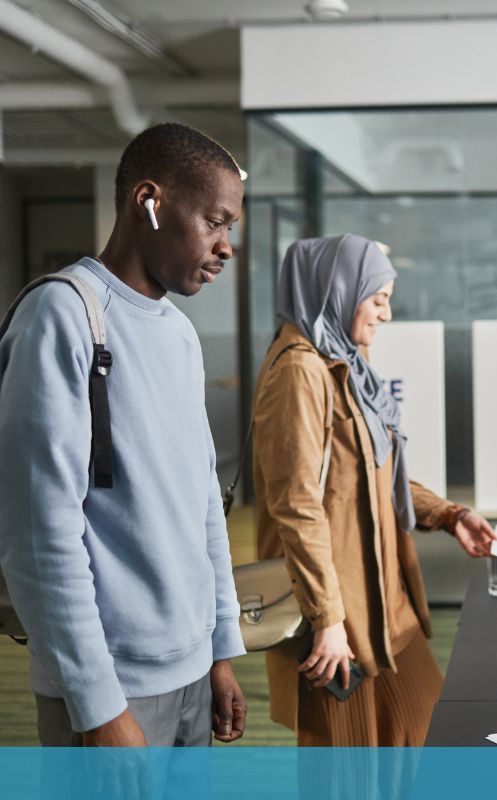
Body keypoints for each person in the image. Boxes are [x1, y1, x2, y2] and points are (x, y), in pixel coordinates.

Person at [0, 123, 247, 746]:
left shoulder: (180, 333)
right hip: (112, 686)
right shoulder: (63, 314)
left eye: (231, 229)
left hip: (191, 674)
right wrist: (99, 705)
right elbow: (38, 532)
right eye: (215, 222)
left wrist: (219, 650)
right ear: (150, 201)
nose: (226, 246)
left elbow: (202, 509)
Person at [252, 234, 496, 746]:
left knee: (424, 736)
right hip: (339, 616)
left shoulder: (345, 367)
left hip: (385, 604)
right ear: (338, 290)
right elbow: (296, 507)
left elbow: (377, 473)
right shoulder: (300, 371)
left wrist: (450, 515)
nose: (386, 314)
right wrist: (327, 619)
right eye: (378, 298)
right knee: (351, 772)